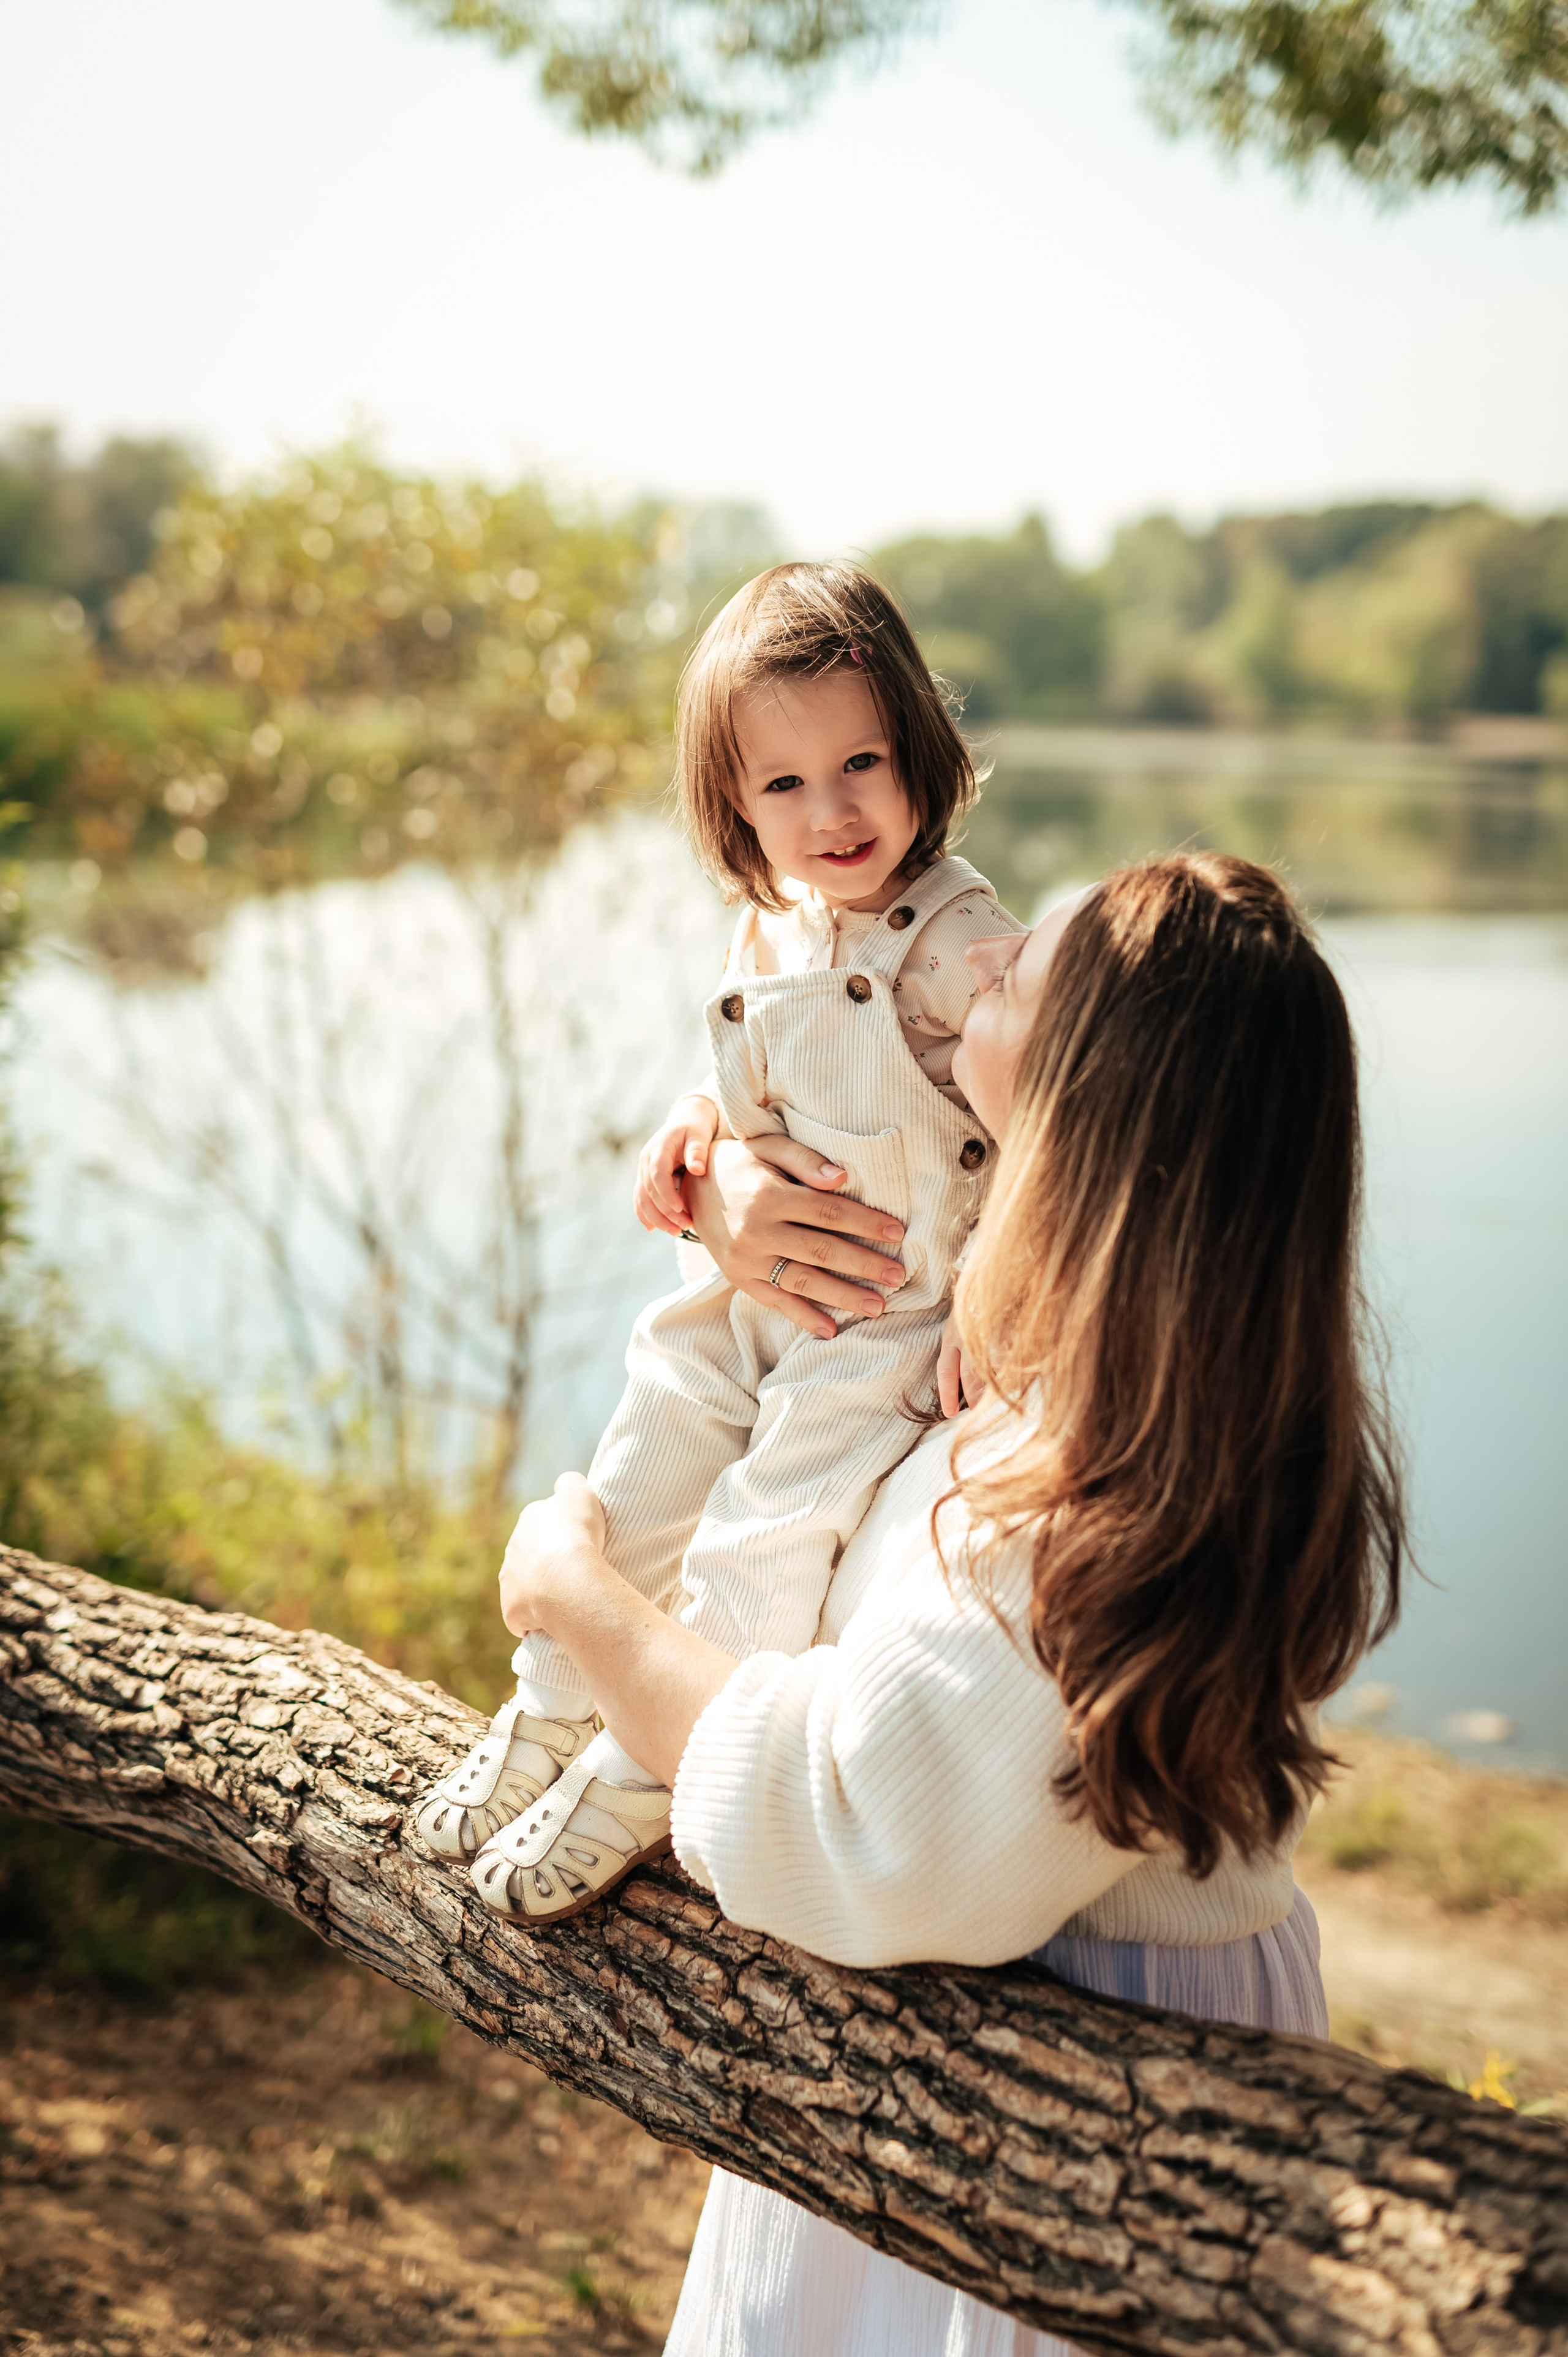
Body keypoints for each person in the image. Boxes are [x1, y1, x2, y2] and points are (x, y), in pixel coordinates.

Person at [492, 852, 1405, 2357]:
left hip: (1049, 2134)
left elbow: (860, 1821)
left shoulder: (1090, 1501)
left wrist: (584, 1601)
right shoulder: (1103, 1364)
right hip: (953, 2085)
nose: (968, 964)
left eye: (1015, 974)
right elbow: (838, 1054)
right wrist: (721, 1173)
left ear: (1085, 1111)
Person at [415, 562, 1024, 1916]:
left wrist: (995, 1279)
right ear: (734, 804)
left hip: (879, 1310)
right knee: (648, 1445)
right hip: (738, 1289)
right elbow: (761, 1078)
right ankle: (551, 1705)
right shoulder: (772, 922)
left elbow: (1042, 1122)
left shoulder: (957, 948)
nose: (835, 809)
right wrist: (692, 1131)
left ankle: (651, 1769)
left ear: (918, 748)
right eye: (785, 784)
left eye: (862, 761)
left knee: (767, 1521)